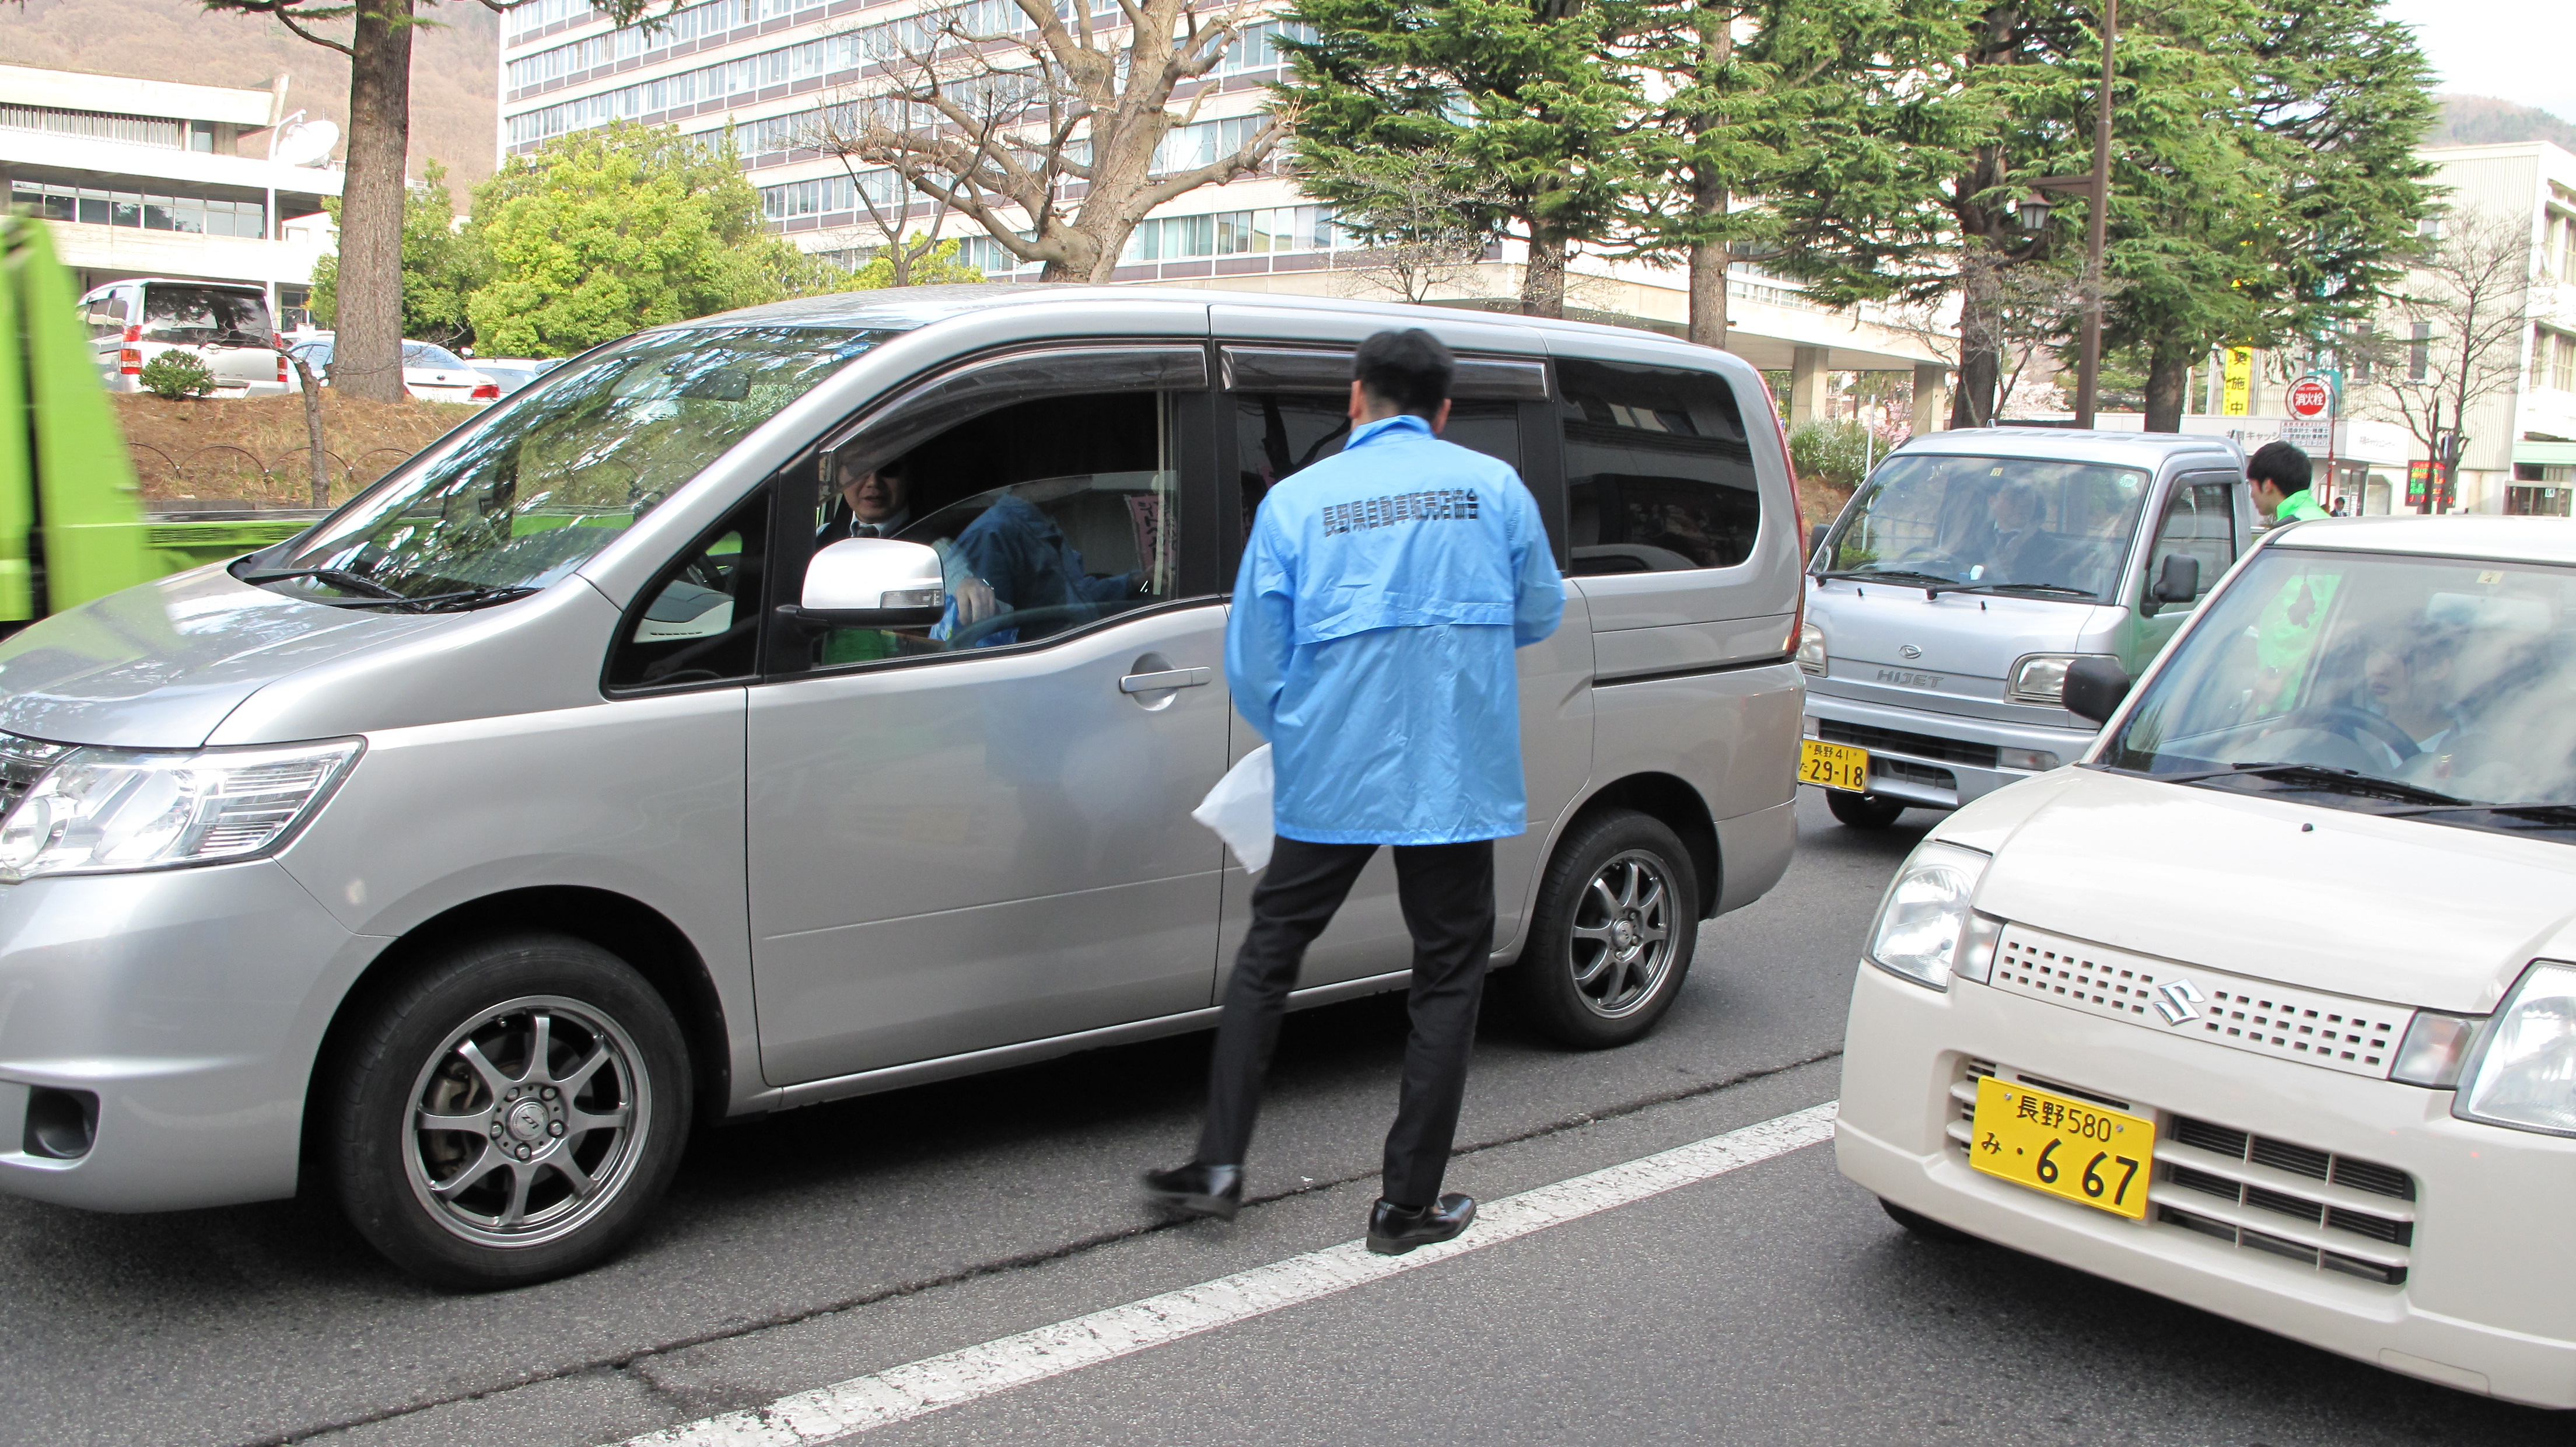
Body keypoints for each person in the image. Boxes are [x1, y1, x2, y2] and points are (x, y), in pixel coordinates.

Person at [1141, 328, 1564, 1257]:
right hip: (1452, 771)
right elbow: (1540, 611)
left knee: (1270, 956)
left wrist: (1306, 721)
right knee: (1447, 976)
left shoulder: (1297, 502)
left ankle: (1217, 1166)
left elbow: (1254, 665)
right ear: (1443, 410)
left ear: (1355, 396)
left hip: (1331, 766)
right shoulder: (1494, 489)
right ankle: (1406, 1206)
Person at [819, 455, 912, 540]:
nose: (873, 482)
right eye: (859, 469)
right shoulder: (820, 538)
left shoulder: (926, 543)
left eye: (889, 468)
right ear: (838, 477)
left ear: (908, 474)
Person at [2249, 441, 2329, 524]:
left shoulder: (2289, 527)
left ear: (2267, 485)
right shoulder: (2328, 521)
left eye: (2252, 486)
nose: (2251, 495)